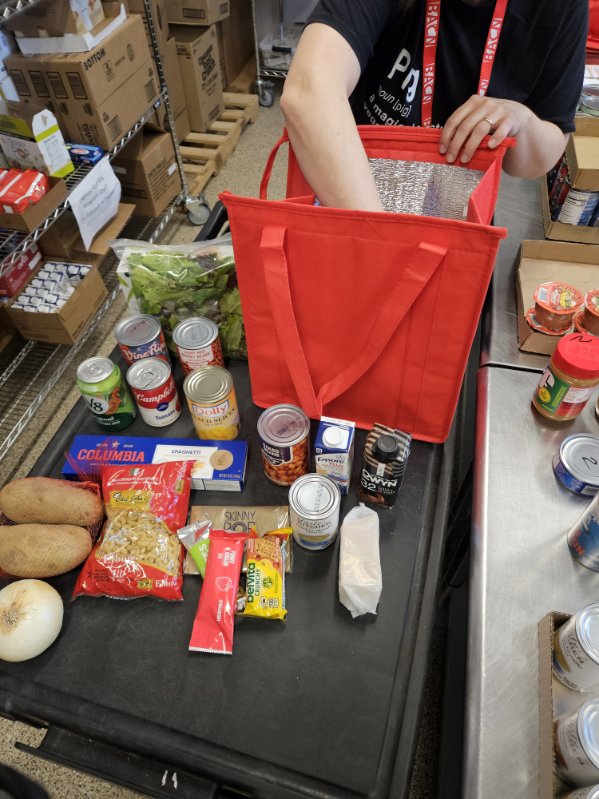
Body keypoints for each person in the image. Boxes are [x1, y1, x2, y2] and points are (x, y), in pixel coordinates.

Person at [280, 0, 588, 211]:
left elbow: (539, 157)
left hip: (455, 206)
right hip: (349, 188)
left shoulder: (560, 7)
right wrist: (381, 236)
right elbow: (308, 92)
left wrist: (521, 121)